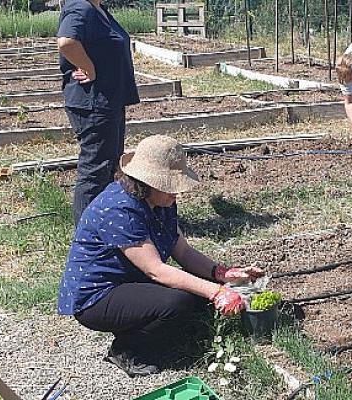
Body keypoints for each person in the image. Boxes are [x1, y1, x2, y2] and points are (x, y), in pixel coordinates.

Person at [57, 135, 264, 377]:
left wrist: (222, 274)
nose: (175, 193)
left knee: (198, 296)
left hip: (129, 280)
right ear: (146, 182)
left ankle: (162, 336)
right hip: (98, 295)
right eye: (169, 185)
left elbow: (183, 251)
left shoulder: (160, 201)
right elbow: (157, 270)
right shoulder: (119, 209)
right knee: (177, 303)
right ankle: (126, 348)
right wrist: (217, 292)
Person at [57, 0, 140, 225]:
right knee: (95, 170)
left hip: (108, 99)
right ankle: (86, 233)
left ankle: (104, 222)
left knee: (109, 165)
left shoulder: (98, 9)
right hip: (94, 102)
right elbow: (66, 42)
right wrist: (89, 67)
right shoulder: (80, 7)